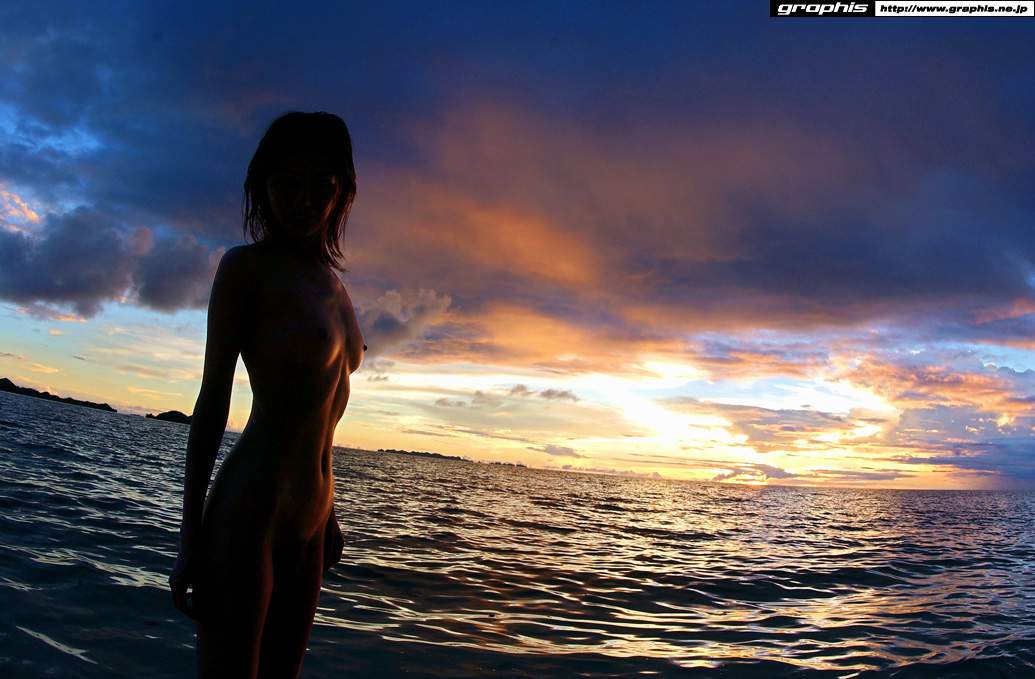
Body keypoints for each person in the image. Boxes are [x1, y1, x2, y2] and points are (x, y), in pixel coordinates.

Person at [169, 111, 364, 678]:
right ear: (262, 187)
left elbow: (321, 417)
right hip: (251, 511)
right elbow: (212, 402)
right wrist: (189, 537)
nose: (304, 200)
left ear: (342, 192)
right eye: (287, 183)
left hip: (313, 522)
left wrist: (330, 516)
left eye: (322, 185)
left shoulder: (337, 288)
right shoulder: (246, 269)